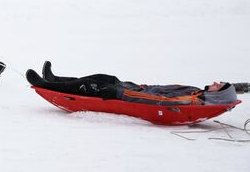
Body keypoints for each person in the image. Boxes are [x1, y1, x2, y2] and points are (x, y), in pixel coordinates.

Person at [26, 61, 238, 105]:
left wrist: (123, 94)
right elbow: (160, 89)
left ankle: (45, 84)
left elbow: (159, 101)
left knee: (87, 87)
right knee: (98, 77)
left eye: (220, 85)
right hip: (132, 87)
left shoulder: (191, 101)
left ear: (219, 94)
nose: (215, 82)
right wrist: (136, 86)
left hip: (125, 94)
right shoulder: (194, 92)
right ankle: (55, 80)